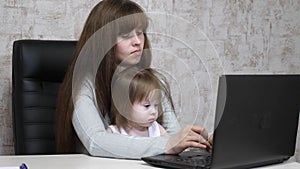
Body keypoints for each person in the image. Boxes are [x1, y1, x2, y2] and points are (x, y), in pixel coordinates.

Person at [56, 0, 211, 159]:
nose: (138, 41)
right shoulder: (83, 86)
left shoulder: (149, 80)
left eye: (140, 32)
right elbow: (96, 142)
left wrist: (200, 141)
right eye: (126, 35)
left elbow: (174, 136)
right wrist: (167, 144)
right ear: (102, 42)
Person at [108, 67, 169, 137]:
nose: (154, 112)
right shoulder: (114, 132)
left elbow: (171, 146)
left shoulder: (156, 129)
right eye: (147, 106)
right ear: (125, 107)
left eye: (156, 105)